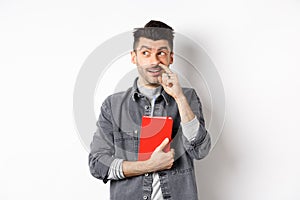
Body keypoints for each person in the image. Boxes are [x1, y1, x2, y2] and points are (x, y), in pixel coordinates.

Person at [89, 20, 211, 200]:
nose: (154, 61)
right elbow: (97, 165)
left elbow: (200, 151)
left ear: (171, 57)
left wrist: (179, 97)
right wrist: (149, 165)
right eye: (146, 53)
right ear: (134, 57)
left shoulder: (188, 98)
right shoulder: (113, 105)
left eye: (161, 53)